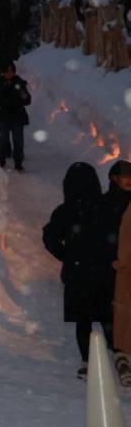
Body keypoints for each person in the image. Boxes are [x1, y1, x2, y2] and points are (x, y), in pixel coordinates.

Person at [43, 162, 115, 378]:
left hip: (78, 274)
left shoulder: (65, 211)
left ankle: (88, 361)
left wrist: (67, 255)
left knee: (83, 321)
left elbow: (50, 237)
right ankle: (117, 356)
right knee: (108, 316)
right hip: (105, 272)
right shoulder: (106, 208)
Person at [0, 61, 32, 172]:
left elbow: (27, 100)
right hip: (2, 116)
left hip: (17, 116)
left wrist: (24, 96)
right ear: (3, 72)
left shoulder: (19, 82)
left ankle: (18, 162)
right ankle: (2, 159)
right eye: (7, 71)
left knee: (18, 140)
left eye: (11, 71)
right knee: (2, 139)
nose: (9, 73)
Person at [108, 161, 131, 386]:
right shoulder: (108, 202)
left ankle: (121, 354)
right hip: (118, 267)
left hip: (123, 266)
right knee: (120, 312)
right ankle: (120, 354)